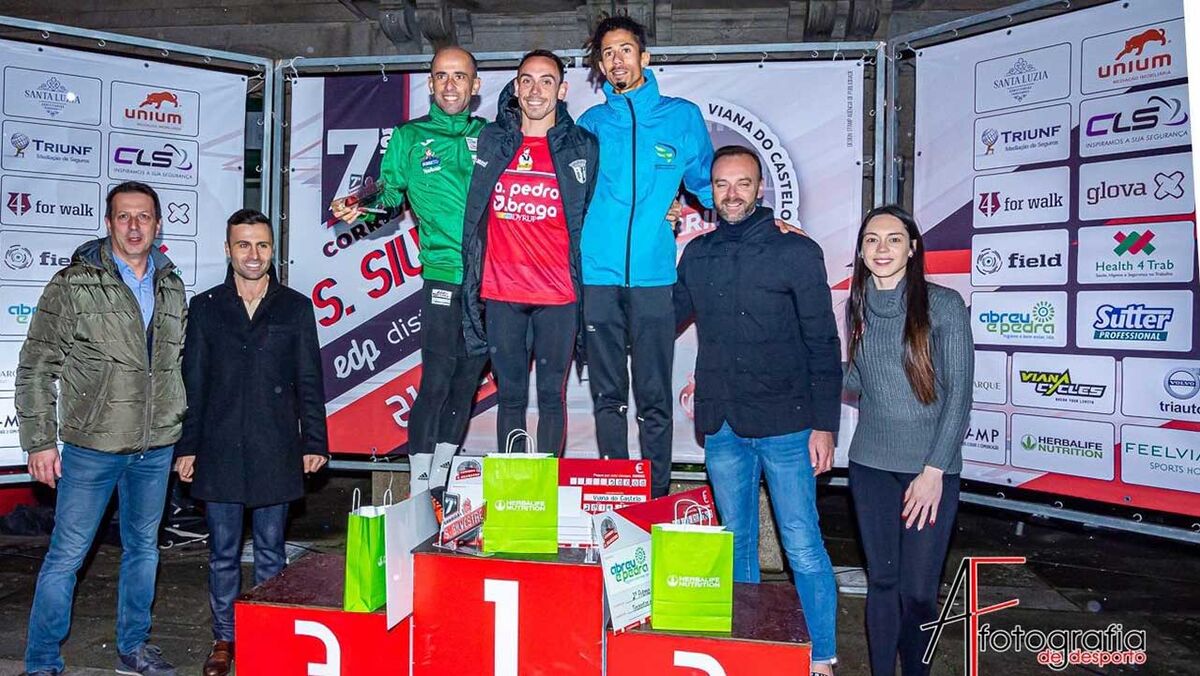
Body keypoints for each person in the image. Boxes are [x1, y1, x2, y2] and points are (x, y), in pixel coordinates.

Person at [674, 146, 841, 675]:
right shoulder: (696, 254)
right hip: (722, 423)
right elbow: (663, 317)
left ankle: (822, 656)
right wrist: (657, 233)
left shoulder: (797, 250)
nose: (732, 193)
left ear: (760, 187)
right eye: (722, 184)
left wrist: (825, 425)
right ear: (710, 191)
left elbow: (823, 341)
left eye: (742, 183)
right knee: (736, 541)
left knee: (802, 543)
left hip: (788, 425)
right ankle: (749, 652)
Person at [17, 182, 187, 676]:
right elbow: (35, 367)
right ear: (109, 223)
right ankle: (41, 662)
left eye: (144, 217)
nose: (134, 226)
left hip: (155, 447)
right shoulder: (73, 283)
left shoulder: (171, 285)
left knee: (143, 552)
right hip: (93, 447)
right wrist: (40, 442)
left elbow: (174, 365)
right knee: (66, 557)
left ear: (158, 225)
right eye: (124, 216)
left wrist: (180, 429)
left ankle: (133, 649)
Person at [173, 209, 329, 676]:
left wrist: (314, 441)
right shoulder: (205, 307)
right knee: (222, 553)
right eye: (243, 244)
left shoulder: (296, 307)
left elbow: (309, 380)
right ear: (228, 250)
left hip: (275, 447)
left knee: (271, 552)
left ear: (273, 249)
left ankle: (269, 636)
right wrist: (187, 447)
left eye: (262, 244)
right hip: (218, 448)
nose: (253, 254)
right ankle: (224, 638)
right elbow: (193, 383)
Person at [331, 46, 486, 486]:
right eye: (441, 76)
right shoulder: (409, 137)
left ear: (475, 86)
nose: (450, 85)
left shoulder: (493, 135)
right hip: (441, 274)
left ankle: (442, 480)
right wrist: (358, 205)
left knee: (467, 380)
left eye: (459, 76)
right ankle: (419, 485)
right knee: (437, 379)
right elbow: (389, 195)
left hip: (490, 281)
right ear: (431, 84)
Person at [578, 16, 714, 496]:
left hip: (655, 279)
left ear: (644, 57)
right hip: (597, 277)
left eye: (625, 50)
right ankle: (617, 491)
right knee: (608, 396)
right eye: (608, 53)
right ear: (600, 65)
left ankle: (655, 494)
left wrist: (762, 220)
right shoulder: (590, 124)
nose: (617, 60)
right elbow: (571, 198)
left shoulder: (682, 117)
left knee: (654, 395)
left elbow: (709, 186)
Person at [843, 205, 972, 676]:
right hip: (870, 466)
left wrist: (934, 470)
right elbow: (859, 380)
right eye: (872, 240)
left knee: (917, 591)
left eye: (894, 239)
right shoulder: (857, 307)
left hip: (929, 470)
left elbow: (959, 392)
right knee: (882, 582)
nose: (882, 248)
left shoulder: (943, 304)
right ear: (861, 251)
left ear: (913, 248)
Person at [460, 50, 598, 455]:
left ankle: (547, 484)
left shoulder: (582, 146)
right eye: (527, 80)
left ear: (562, 90)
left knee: (552, 396)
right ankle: (514, 485)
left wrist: (666, 207)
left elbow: (601, 206)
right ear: (516, 88)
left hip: (559, 296)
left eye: (546, 81)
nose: (536, 90)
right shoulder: (492, 140)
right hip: (502, 293)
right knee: (511, 397)